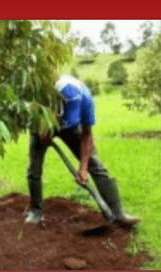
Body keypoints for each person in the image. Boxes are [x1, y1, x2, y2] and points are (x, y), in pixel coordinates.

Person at [25, 74, 140, 227]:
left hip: (72, 129)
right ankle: (35, 211)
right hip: (45, 121)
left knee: (96, 166)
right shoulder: (47, 92)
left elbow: (87, 135)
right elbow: (31, 109)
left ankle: (118, 214)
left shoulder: (86, 100)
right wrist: (41, 129)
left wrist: (83, 167)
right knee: (34, 168)